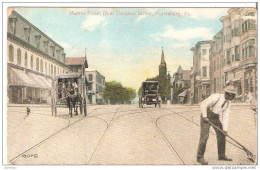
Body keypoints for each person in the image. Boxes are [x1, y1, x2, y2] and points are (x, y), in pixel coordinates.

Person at [197, 85, 236, 165]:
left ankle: (221, 155)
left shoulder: (228, 103)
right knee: (205, 136)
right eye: (230, 95)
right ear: (227, 93)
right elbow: (203, 104)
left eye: (233, 95)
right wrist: (204, 116)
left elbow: (225, 116)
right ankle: (200, 157)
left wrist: (225, 129)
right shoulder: (216, 97)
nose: (231, 97)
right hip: (207, 115)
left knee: (222, 134)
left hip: (215, 117)